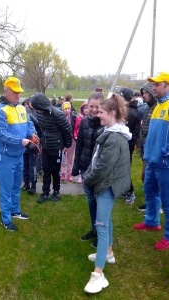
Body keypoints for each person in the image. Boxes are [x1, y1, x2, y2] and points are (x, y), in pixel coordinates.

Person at [133, 72, 169, 251]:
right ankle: (151, 221)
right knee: (150, 193)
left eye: (157, 84)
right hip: (152, 161)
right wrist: (148, 154)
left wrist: (165, 154)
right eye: (153, 84)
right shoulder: (157, 105)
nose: (154, 87)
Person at [82, 94, 131, 294]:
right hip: (105, 183)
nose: (97, 115)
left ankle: (98, 275)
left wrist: (87, 178)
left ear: (112, 113)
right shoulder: (111, 132)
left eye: (101, 112)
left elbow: (102, 167)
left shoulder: (115, 138)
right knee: (106, 221)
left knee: (101, 226)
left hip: (107, 186)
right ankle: (108, 253)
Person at [0, 77, 36, 232]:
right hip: (6, 156)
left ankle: (15, 211)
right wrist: (22, 141)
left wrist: (32, 135)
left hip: (19, 155)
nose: (18, 95)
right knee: (6, 188)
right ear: (6, 91)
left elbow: (29, 125)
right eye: (15, 92)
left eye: (19, 92)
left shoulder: (22, 108)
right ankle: (5, 219)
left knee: (16, 185)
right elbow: (1, 134)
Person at [72, 91, 104, 248]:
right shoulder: (84, 122)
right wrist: (76, 167)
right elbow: (79, 146)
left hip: (99, 169)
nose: (94, 110)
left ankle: (102, 234)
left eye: (97, 107)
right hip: (85, 166)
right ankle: (94, 229)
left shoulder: (106, 123)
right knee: (91, 200)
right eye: (91, 106)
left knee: (101, 202)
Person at [30, 93, 72, 203]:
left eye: (37, 108)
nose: (36, 111)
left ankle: (56, 191)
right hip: (45, 146)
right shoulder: (40, 114)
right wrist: (40, 139)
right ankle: (45, 193)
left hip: (57, 147)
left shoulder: (57, 114)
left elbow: (67, 130)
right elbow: (40, 128)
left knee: (56, 171)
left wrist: (67, 145)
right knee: (46, 170)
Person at [137, 82, 158, 212]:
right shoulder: (148, 108)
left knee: (149, 177)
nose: (144, 96)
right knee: (145, 177)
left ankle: (154, 205)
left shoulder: (157, 107)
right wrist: (140, 145)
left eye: (146, 93)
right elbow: (143, 128)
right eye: (142, 93)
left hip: (152, 150)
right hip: (145, 148)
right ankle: (150, 203)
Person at [120, 87, 140, 204]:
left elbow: (128, 130)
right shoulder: (128, 109)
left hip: (127, 144)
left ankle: (130, 192)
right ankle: (124, 189)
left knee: (125, 168)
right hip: (126, 143)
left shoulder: (130, 112)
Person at [21, 97, 41, 195]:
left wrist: (36, 140)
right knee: (25, 166)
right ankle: (26, 183)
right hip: (24, 146)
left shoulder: (32, 117)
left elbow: (38, 129)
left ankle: (33, 186)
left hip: (33, 145)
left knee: (32, 166)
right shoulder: (19, 121)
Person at [73, 102, 90, 183]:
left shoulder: (93, 118)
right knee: (80, 158)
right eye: (85, 108)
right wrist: (75, 135)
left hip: (88, 141)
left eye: (87, 108)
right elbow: (76, 129)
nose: (86, 110)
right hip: (80, 140)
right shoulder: (79, 118)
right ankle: (81, 176)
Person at [60, 102, 77, 182]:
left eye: (68, 108)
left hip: (72, 140)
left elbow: (76, 128)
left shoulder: (73, 117)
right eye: (65, 109)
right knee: (63, 158)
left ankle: (69, 174)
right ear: (62, 109)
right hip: (63, 141)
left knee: (70, 158)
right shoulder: (60, 117)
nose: (67, 110)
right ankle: (62, 173)